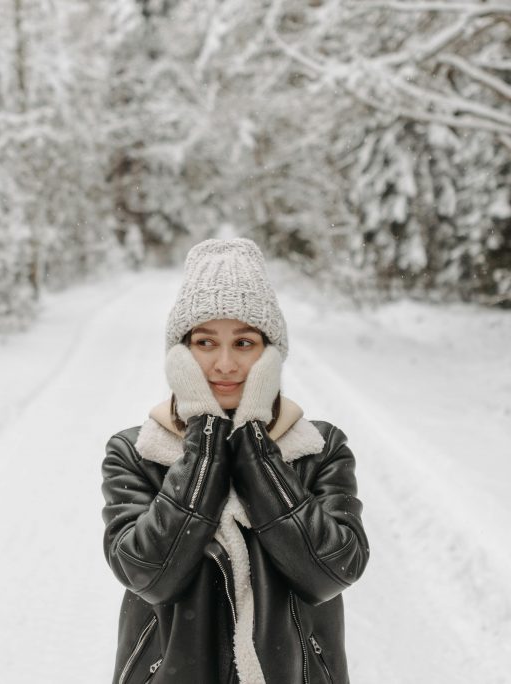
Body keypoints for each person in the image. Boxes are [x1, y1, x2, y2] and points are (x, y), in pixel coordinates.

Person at [100, 238, 369, 684]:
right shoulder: (136, 453)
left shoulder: (319, 448)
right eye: (206, 342)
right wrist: (206, 448)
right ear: (181, 353)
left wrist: (254, 448)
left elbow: (330, 571)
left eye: (244, 342)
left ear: (270, 354)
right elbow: (148, 574)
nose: (224, 364)